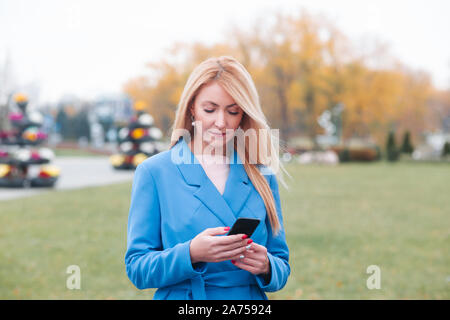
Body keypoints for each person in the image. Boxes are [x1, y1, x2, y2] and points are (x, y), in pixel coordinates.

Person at [125, 56, 290, 300]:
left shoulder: (262, 176)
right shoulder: (155, 172)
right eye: (209, 109)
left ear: (243, 114)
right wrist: (191, 253)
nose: (221, 122)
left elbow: (282, 265)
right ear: (192, 107)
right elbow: (137, 268)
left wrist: (267, 266)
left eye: (233, 111)